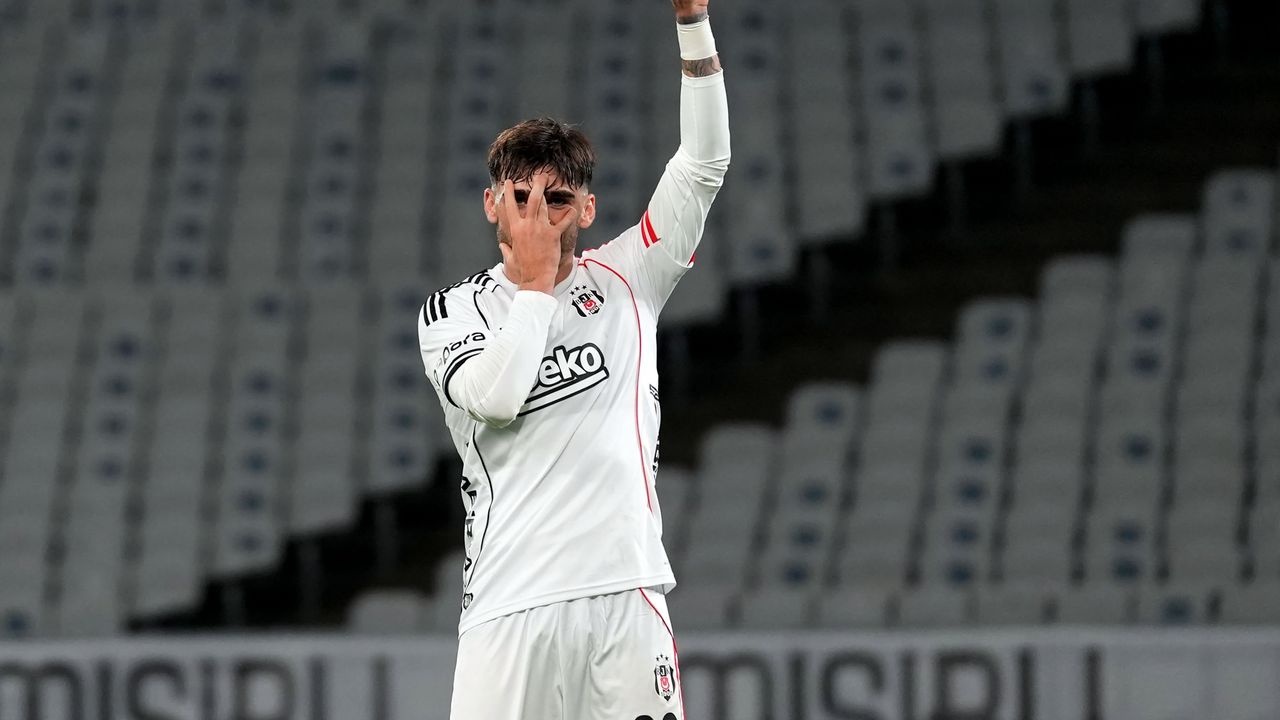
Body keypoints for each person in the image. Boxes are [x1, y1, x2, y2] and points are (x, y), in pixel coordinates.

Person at [417, 1, 728, 717]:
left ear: (587, 210)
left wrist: (693, 21)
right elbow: (497, 397)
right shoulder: (454, 312)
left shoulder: (630, 276)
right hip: (508, 607)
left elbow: (705, 164)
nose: (537, 214)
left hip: (625, 595)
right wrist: (533, 287)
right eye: (520, 196)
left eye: (557, 198)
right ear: (491, 203)